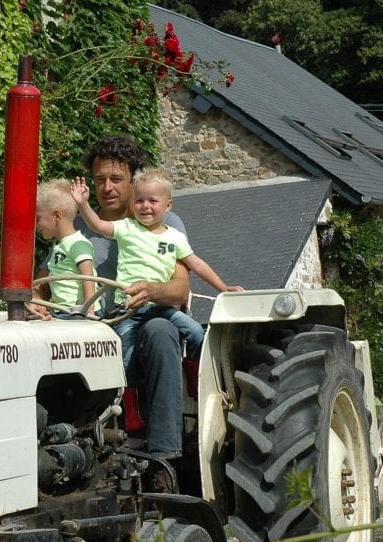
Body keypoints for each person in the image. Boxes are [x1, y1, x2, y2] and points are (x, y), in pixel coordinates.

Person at [35, 135, 189, 458]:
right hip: (91, 329)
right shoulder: (76, 227)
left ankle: (164, 455)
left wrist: (152, 290)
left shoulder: (164, 223)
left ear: (133, 180)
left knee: (161, 331)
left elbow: (180, 287)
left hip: (144, 323)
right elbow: (43, 283)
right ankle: (61, 448)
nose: (107, 188)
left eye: (116, 179)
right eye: (100, 179)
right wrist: (34, 301)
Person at [70, 168, 242, 372]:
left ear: (168, 205)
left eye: (152, 201)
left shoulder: (175, 237)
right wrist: (82, 204)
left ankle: (194, 373)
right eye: (139, 201)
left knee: (196, 332)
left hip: (161, 307)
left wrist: (223, 287)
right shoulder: (127, 228)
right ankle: (128, 389)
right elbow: (97, 225)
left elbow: (197, 264)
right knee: (125, 356)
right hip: (128, 309)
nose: (145, 206)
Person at [32, 179, 97, 316]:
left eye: (38, 219)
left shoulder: (78, 243)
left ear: (57, 215)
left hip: (77, 312)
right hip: (63, 310)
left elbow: (88, 277)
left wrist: (89, 311)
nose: (36, 225)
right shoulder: (60, 246)